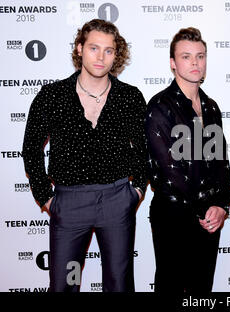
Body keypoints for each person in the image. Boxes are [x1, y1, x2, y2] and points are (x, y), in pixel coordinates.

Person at [22, 19, 147, 292]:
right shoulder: (52, 96)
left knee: (119, 284)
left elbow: (144, 150)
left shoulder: (130, 97)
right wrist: (46, 198)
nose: (101, 57)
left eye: (109, 50)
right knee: (67, 283)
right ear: (79, 49)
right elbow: (31, 149)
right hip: (69, 206)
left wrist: (135, 191)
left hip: (117, 201)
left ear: (117, 54)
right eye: (93, 48)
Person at [144, 27, 230, 293]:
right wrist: (205, 208)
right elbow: (171, 170)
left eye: (200, 56)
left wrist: (221, 205)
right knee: (170, 286)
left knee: (201, 288)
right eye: (186, 56)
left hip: (209, 216)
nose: (195, 63)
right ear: (173, 63)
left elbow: (221, 162)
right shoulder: (159, 106)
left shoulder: (211, 106)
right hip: (174, 215)